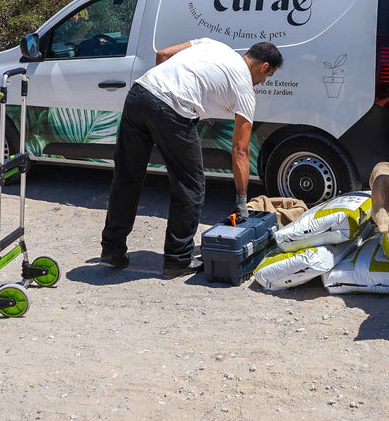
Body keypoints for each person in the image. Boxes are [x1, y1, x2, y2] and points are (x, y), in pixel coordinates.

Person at [100, 39, 283, 278]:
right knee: (190, 186)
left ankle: (112, 249)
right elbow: (240, 149)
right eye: (268, 75)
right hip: (173, 111)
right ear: (264, 66)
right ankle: (177, 259)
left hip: (140, 93)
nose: (264, 81)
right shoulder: (244, 88)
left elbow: (163, 54)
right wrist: (241, 199)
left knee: (127, 176)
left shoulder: (213, 44)